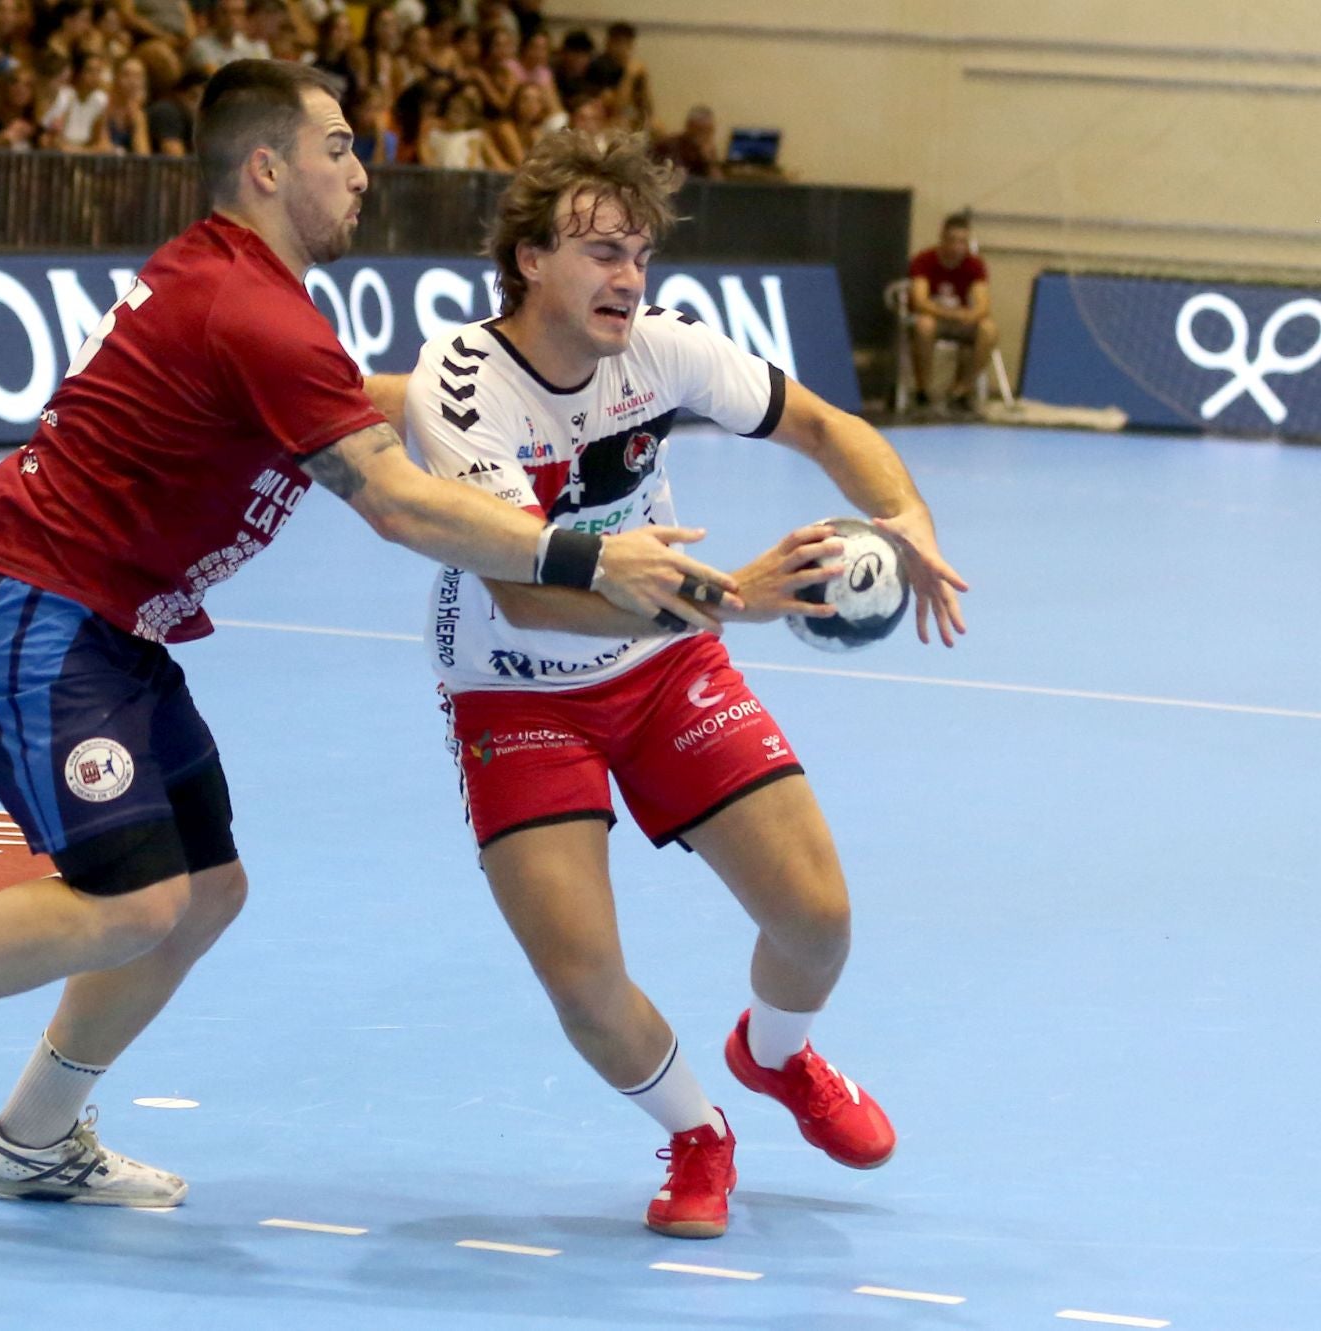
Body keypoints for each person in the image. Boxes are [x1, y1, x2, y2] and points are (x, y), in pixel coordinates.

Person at [0, 60, 721, 1204]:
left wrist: (509, 395)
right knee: (132, 897)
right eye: (338, 147)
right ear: (268, 166)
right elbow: (395, 501)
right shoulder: (253, 309)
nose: (360, 170)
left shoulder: (246, 293)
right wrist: (588, 553)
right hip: (34, 602)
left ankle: (29, 1138)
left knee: (207, 888)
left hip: (112, 620)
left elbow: (360, 410)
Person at [395, 130, 968, 1239]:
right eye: (601, 250)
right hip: (516, 686)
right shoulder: (462, 386)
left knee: (817, 918)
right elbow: (528, 592)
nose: (628, 276)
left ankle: (776, 1053)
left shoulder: (661, 347)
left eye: (640, 252)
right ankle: (697, 1129)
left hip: (665, 659)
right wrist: (737, 597)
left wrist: (908, 520)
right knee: (583, 979)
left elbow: (822, 423)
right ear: (527, 259)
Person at [907, 212, 998, 414]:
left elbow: (983, 304)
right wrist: (951, 314)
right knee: (924, 326)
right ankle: (923, 390)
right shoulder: (924, 261)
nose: (958, 247)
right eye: (953, 241)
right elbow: (920, 301)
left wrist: (970, 316)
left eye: (963, 242)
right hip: (936, 319)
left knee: (989, 329)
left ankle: (962, 390)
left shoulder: (975, 265)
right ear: (942, 239)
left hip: (961, 321)